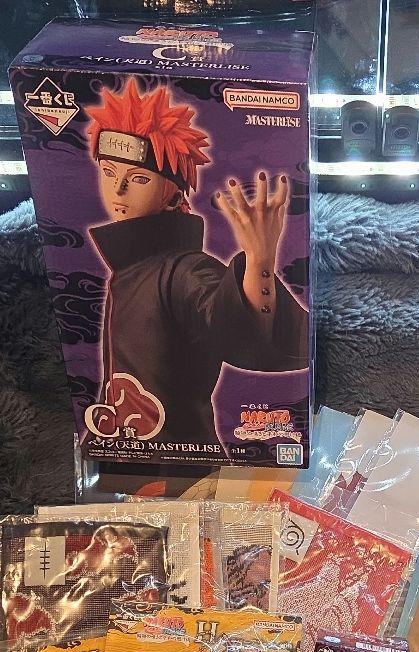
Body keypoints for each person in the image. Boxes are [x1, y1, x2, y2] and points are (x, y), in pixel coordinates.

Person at [83, 77, 308, 456]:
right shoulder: (129, 266)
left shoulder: (183, 270)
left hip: (186, 465)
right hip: (130, 456)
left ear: (173, 189)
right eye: (108, 172)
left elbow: (231, 326)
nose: (118, 189)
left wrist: (259, 262)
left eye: (138, 178)